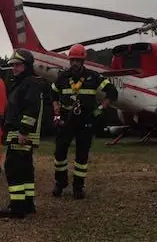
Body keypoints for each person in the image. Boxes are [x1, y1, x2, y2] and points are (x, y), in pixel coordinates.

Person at [51, 44, 118, 199]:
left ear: (83, 61)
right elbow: (52, 93)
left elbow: (112, 92)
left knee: (82, 156)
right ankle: (60, 183)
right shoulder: (63, 77)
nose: (74, 63)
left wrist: (101, 109)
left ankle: (78, 187)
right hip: (66, 119)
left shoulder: (94, 77)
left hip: (86, 120)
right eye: (72, 60)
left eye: (78, 60)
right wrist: (55, 107)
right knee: (59, 153)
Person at [0, 49, 45, 219]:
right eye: (13, 65)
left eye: (18, 65)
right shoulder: (24, 83)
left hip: (21, 134)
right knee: (25, 169)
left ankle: (17, 207)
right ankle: (27, 204)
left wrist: (24, 131)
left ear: (26, 66)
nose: (14, 68)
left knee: (13, 169)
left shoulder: (29, 83)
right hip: (19, 133)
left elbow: (31, 108)